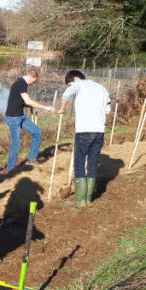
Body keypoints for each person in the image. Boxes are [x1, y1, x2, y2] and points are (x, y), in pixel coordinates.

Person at [58, 70, 111, 206]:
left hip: (84, 130)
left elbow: (66, 94)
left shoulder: (79, 84)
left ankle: (80, 200)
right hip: (99, 130)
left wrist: (62, 109)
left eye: (70, 84)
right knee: (93, 162)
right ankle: (88, 199)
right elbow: (108, 111)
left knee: (80, 161)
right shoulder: (101, 88)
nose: (71, 86)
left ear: (75, 79)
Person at [4, 70, 55, 171]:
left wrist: (32, 104)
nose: (32, 83)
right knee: (16, 143)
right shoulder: (21, 83)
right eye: (34, 81)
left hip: (20, 116)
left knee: (37, 132)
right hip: (13, 118)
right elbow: (27, 101)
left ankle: (31, 159)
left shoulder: (21, 84)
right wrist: (45, 107)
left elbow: (20, 101)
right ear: (31, 77)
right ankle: (10, 169)